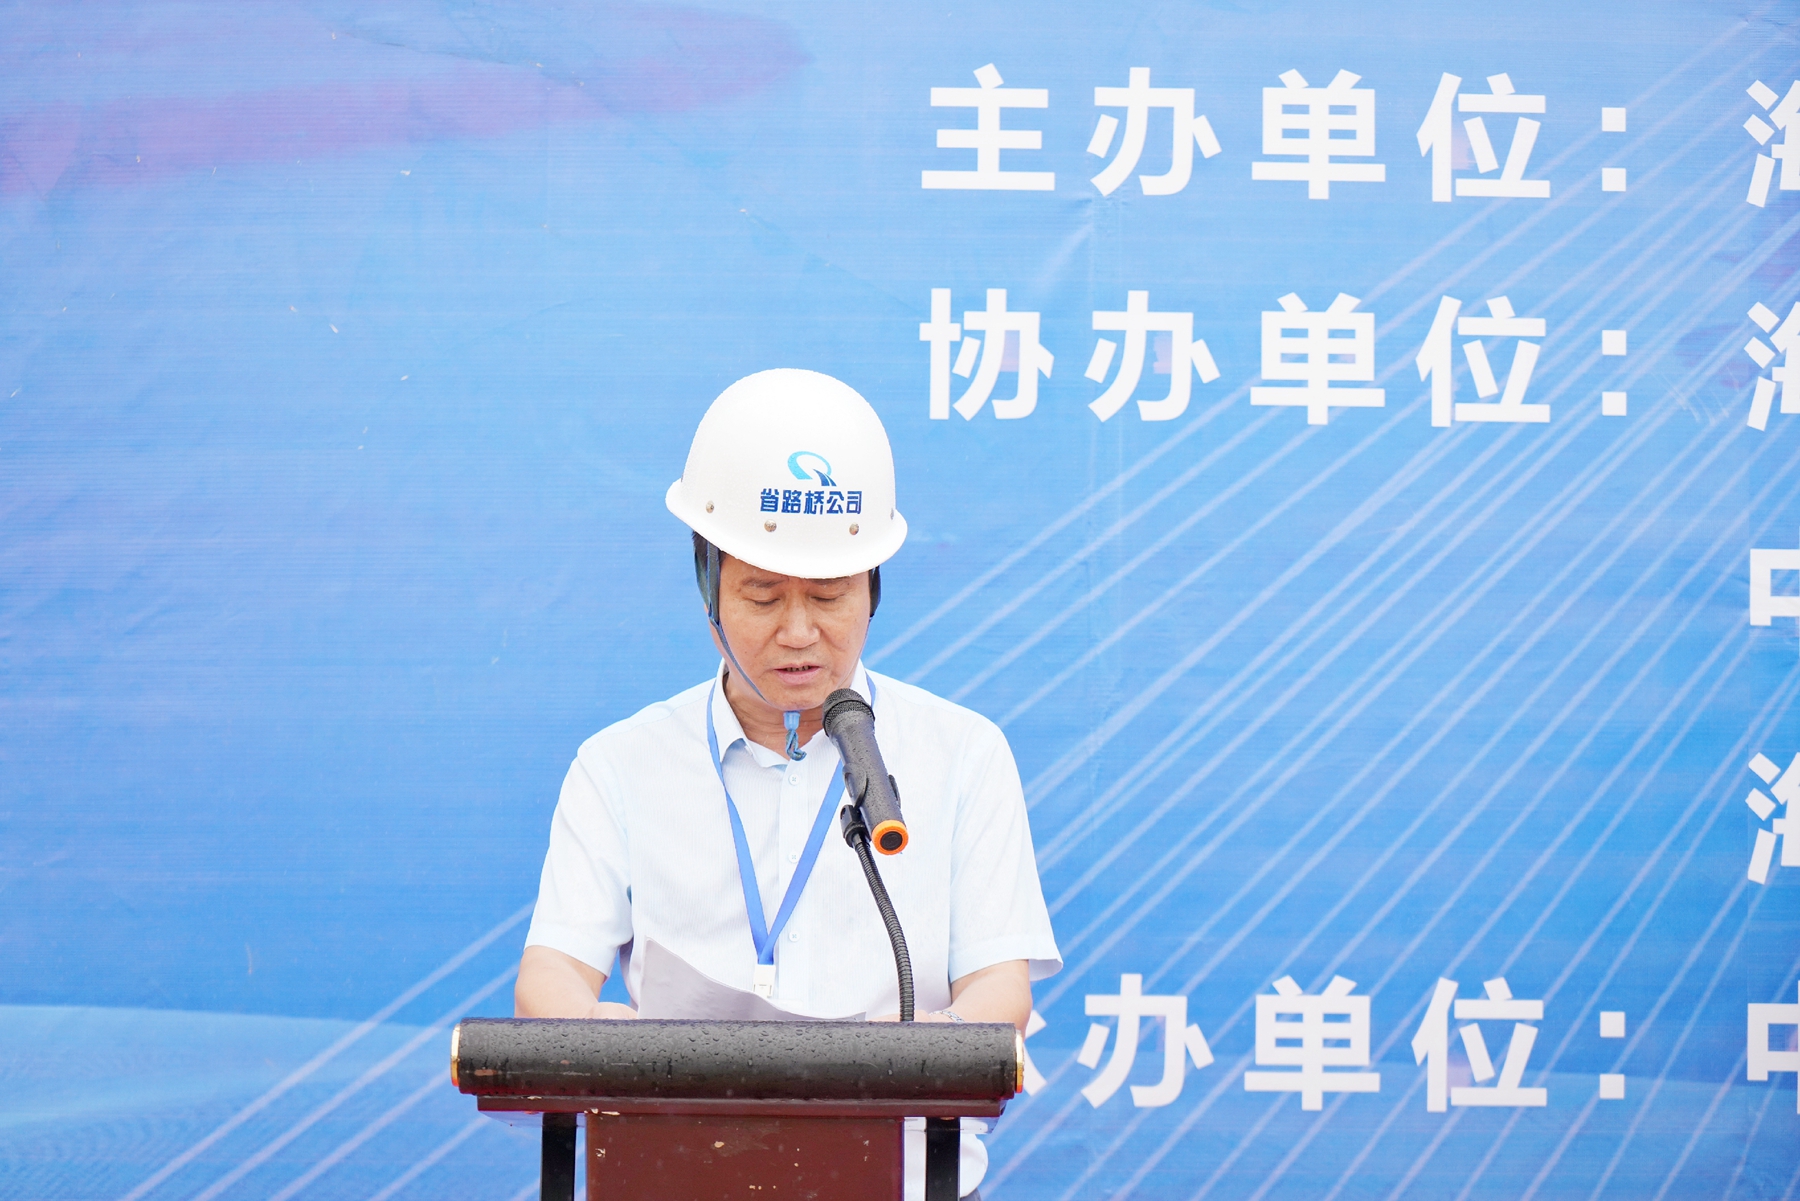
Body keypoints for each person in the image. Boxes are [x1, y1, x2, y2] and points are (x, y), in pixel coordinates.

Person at [515, 368, 1060, 1198]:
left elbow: (1000, 988)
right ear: (709, 586)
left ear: (872, 588)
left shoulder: (963, 754)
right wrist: (599, 1036)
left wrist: (917, 1049)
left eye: (830, 595)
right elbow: (548, 977)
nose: (800, 632)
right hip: (676, 1175)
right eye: (764, 596)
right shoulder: (620, 763)